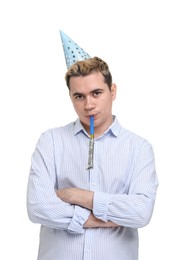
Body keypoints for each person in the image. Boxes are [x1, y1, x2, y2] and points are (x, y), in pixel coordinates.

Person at [27, 32, 158, 260]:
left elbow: (140, 212)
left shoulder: (139, 148)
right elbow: (38, 206)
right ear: (71, 97)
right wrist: (102, 218)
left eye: (96, 93)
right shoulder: (51, 141)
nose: (88, 105)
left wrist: (78, 196)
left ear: (112, 91)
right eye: (79, 96)